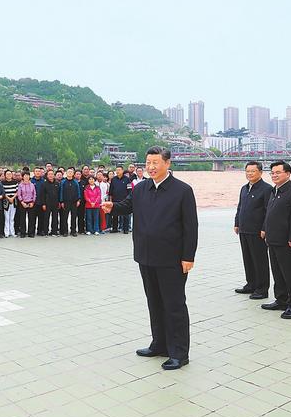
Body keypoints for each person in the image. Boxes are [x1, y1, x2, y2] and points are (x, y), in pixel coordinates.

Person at [102, 147, 198, 370]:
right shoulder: (141, 188)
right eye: (148, 163)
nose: (151, 167)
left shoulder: (182, 190)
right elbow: (127, 206)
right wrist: (112, 207)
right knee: (154, 302)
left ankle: (179, 353)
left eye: (155, 162)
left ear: (167, 163)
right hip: (145, 256)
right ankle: (159, 344)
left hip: (172, 259)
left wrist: (188, 256)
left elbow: (191, 226)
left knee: (174, 305)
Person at [260, 161, 291, 320]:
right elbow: (269, 213)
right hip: (273, 239)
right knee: (278, 273)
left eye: (278, 172)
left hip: (288, 242)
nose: (274, 175)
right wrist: (265, 230)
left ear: (287, 173)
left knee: (290, 274)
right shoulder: (274, 190)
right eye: (272, 173)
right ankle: (281, 300)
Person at [233, 162, 273, 300]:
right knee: (248, 259)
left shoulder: (267, 189)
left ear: (260, 172)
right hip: (244, 229)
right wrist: (237, 223)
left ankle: (262, 289)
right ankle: (251, 284)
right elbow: (240, 207)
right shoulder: (244, 188)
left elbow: (269, 211)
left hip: (257, 232)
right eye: (247, 171)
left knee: (259, 260)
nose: (249, 174)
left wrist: (264, 228)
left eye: (253, 171)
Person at [59, 168, 82, 237]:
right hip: (65, 202)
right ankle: (65, 231)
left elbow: (78, 191)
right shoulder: (63, 182)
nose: (70, 173)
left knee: (74, 217)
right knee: (65, 217)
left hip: (74, 202)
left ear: (73, 174)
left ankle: (73, 231)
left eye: (71, 172)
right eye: (68, 172)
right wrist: (61, 201)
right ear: (66, 173)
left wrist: (78, 200)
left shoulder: (75, 182)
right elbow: (61, 192)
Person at [16, 171, 37, 238]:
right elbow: (19, 194)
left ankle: (31, 232)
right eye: (25, 175)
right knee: (22, 218)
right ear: (22, 177)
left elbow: (34, 194)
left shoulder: (32, 185)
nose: (26, 177)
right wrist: (22, 202)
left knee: (31, 218)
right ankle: (23, 232)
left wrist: (33, 202)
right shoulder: (20, 185)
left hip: (31, 202)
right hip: (23, 203)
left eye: (27, 175)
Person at [39, 170, 60, 236]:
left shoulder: (57, 183)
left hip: (55, 203)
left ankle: (54, 231)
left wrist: (59, 202)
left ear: (54, 175)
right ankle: (46, 231)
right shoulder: (44, 184)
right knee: (46, 218)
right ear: (47, 175)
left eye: (52, 174)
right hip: (47, 203)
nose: (51, 175)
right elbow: (42, 195)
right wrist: (43, 204)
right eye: (49, 174)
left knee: (55, 218)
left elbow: (59, 194)